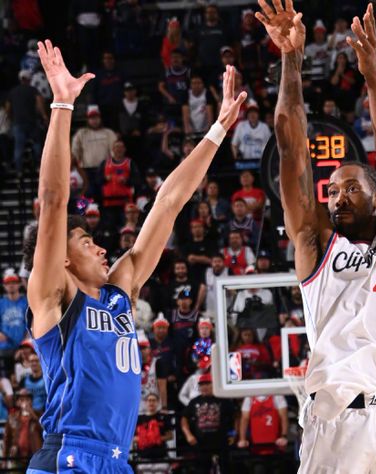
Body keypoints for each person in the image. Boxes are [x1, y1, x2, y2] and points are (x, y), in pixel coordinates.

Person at [22, 41, 246, 473]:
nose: (101, 247)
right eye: (86, 242)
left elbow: (169, 203)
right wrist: (63, 104)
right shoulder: (53, 295)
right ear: (62, 259)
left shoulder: (119, 292)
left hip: (116, 460)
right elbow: (52, 200)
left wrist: (217, 130)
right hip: (68, 456)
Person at [256, 2, 376, 472]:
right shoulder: (315, 244)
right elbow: (291, 146)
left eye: (351, 188)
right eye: (332, 191)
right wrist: (291, 59)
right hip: (337, 421)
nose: (337, 197)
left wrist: (372, 75)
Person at [181, 373, 234, 474]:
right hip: (201, 444)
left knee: (225, 469)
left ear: (213, 384)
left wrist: (233, 433)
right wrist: (188, 435)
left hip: (221, 443)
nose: (204, 387)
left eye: (207, 384)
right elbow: (184, 418)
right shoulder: (194, 402)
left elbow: (235, 416)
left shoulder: (223, 400)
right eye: (201, 385)